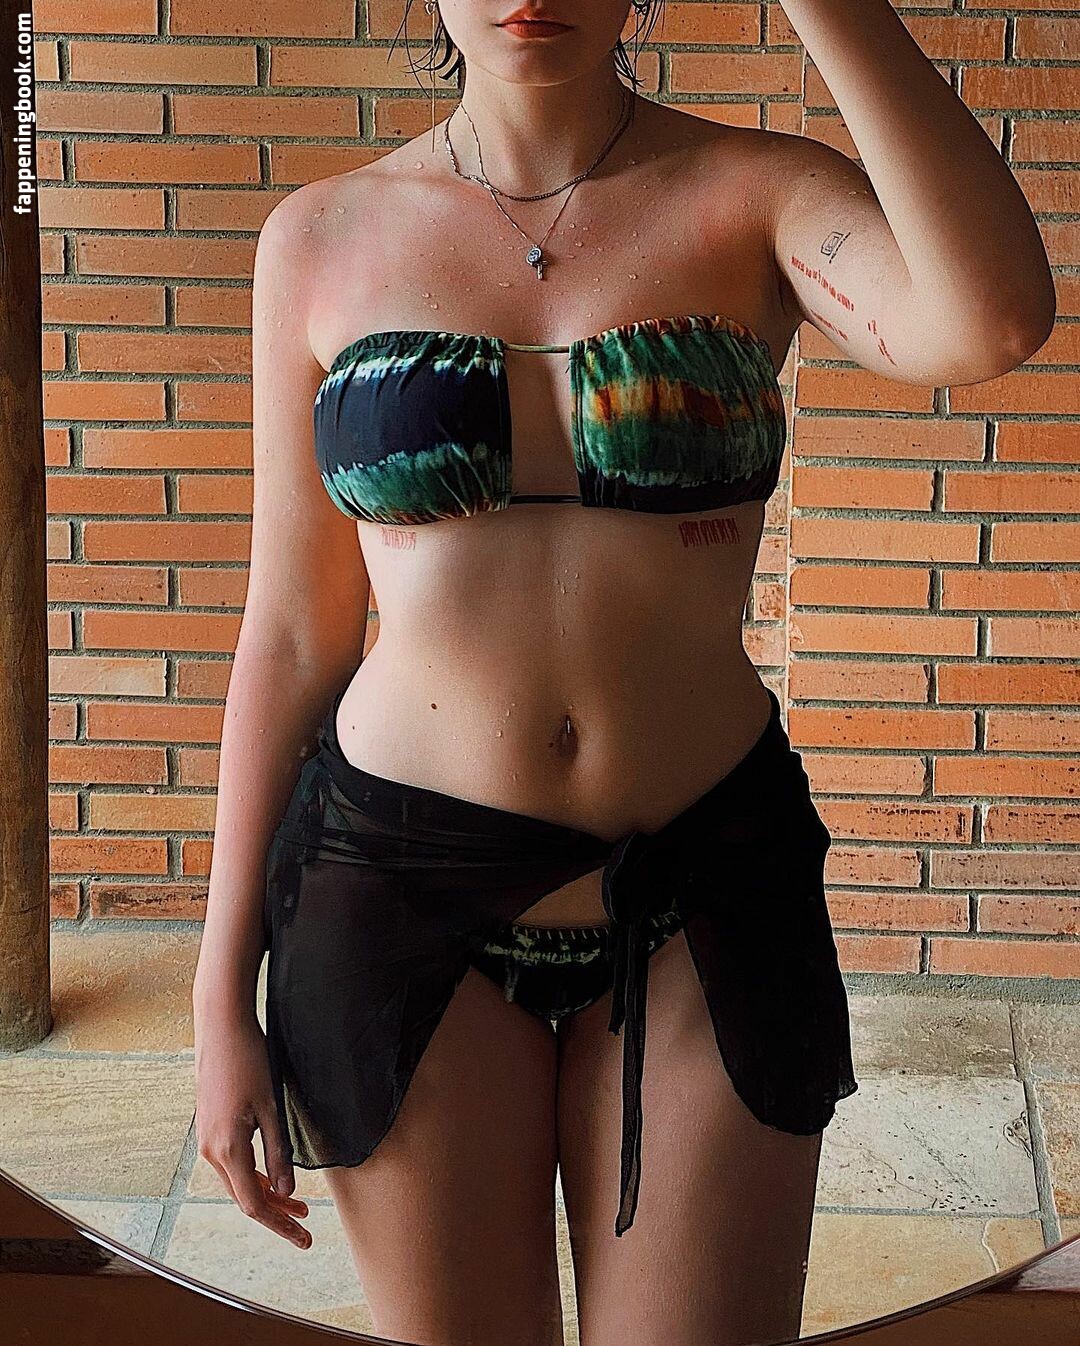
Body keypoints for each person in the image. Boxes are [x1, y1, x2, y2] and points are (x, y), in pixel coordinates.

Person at [192, 3, 1054, 1344]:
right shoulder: (320, 237)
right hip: (391, 889)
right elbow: (295, 631)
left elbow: (988, 320)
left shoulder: (757, 197)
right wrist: (216, 997)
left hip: (706, 880)